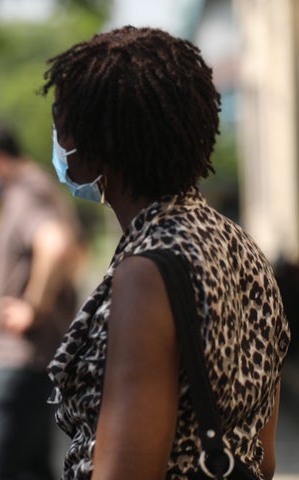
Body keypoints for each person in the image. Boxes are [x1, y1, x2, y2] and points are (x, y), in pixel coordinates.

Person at [41, 25, 291, 479]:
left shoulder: (148, 271)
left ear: (99, 144)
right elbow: (261, 457)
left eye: (62, 121)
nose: (57, 140)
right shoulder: (242, 250)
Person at [0, 125, 82, 480]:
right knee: (33, 469)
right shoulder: (35, 190)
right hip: (29, 358)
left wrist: (32, 308)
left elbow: (56, 244)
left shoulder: (25, 193)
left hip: (20, 358)